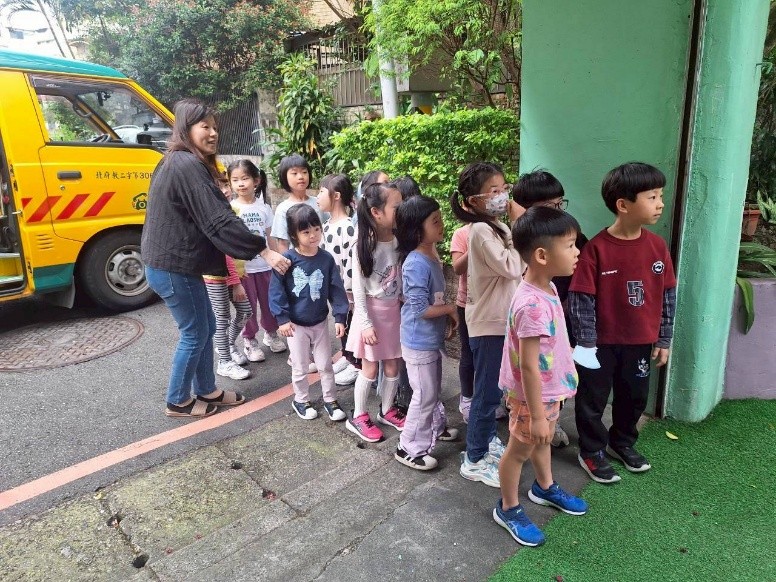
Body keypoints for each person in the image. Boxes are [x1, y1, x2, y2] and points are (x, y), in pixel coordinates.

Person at [141, 98, 289, 418]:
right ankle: (178, 400)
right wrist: (262, 249)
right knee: (195, 332)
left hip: (177, 265)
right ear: (186, 128)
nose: (213, 133)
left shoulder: (179, 161)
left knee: (206, 326)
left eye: (214, 127)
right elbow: (219, 219)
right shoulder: (185, 164)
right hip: (173, 267)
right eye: (204, 126)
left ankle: (206, 389)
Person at [569, 162, 676, 484]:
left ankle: (622, 442)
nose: (660, 204)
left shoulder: (657, 247)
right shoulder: (596, 250)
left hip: (640, 343)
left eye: (660, 196)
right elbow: (581, 301)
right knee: (592, 400)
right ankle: (591, 450)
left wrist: (664, 338)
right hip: (600, 346)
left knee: (634, 398)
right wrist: (586, 344)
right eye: (652, 197)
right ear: (623, 205)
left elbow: (667, 294)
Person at [493, 206, 588, 547]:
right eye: (570, 245)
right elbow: (530, 366)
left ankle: (544, 487)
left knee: (542, 440)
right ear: (542, 255)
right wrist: (535, 415)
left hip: (547, 393)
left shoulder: (546, 287)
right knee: (518, 451)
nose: (577, 252)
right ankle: (508, 508)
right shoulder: (531, 305)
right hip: (532, 398)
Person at [451, 162, 525, 487]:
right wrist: (521, 224)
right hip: (488, 324)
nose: (503, 196)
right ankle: (475, 457)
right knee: (486, 394)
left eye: (504, 188)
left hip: (500, 321)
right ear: (473, 201)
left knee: (493, 392)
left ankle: (484, 442)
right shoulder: (480, 230)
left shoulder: (497, 227)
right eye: (494, 191)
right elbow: (512, 266)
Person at [512, 169, 589, 447]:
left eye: (560, 203)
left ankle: (548, 417)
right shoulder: (520, 244)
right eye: (549, 206)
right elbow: (528, 365)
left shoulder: (570, 239)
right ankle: (535, 415)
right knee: (533, 366)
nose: (557, 211)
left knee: (553, 366)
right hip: (534, 319)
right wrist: (536, 417)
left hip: (558, 316)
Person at [394, 196, 459, 470]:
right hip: (417, 340)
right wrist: (451, 309)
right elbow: (421, 308)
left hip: (429, 339)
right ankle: (408, 447)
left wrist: (447, 316)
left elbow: (434, 299)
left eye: (440, 219)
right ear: (416, 230)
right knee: (425, 393)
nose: (442, 225)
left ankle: (435, 428)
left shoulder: (431, 254)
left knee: (432, 388)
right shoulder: (416, 263)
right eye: (435, 221)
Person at [268, 204, 349, 421]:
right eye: (306, 231)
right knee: (300, 366)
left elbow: (336, 289)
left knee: (325, 365)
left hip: (320, 322)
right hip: (295, 325)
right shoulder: (286, 260)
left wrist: (340, 317)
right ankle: (301, 400)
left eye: (316, 229)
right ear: (294, 235)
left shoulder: (326, 259)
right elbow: (276, 291)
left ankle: (330, 399)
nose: (313, 235)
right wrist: (282, 319)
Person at [345, 182, 404, 442]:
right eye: (397, 207)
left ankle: (387, 410)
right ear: (376, 212)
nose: (402, 211)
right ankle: (359, 415)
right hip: (371, 314)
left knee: (393, 363)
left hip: (393, 313)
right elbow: (358, 290)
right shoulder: (363, 245)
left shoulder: (400, 240)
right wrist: (365, 323)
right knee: (369, 368)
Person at [228, 160, 287, 362]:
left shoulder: (265, 208)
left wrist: (277, 261)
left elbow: (270, 237)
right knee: (248, 307)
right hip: (244, 269)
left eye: (245, 178)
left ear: (256, 180)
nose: (240, 184)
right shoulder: (230, 209)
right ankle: (250, 340)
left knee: (270, 303)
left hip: (265, 267)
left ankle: (271, 334)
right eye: (235, 180)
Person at [317, 173, 361, 386]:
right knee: (341, 325)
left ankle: (356, 364)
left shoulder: (348, 227)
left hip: (346, 291)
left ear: (336, 196)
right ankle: (346, 355)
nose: (317, 196)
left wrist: (349, 292)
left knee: (351, 325)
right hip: (335, 289)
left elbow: (351, 263)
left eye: (321, 192)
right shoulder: (326, 225)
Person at [203, 247, 253, 380]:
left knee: (246, 312)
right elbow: (224, 253)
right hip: (216, 276)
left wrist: (241, 269)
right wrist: (236, 283)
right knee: (222, 318)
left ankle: (228, 345)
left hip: (231, 275)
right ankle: (224, 362)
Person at [271, 154, 322, 254]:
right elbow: (283, 243)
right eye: (294, 173)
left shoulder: (319, 202)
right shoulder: (283, 209)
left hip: (321, 258)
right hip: (297, 261)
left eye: (304, 172)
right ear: (284, 177)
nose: (301, 177)